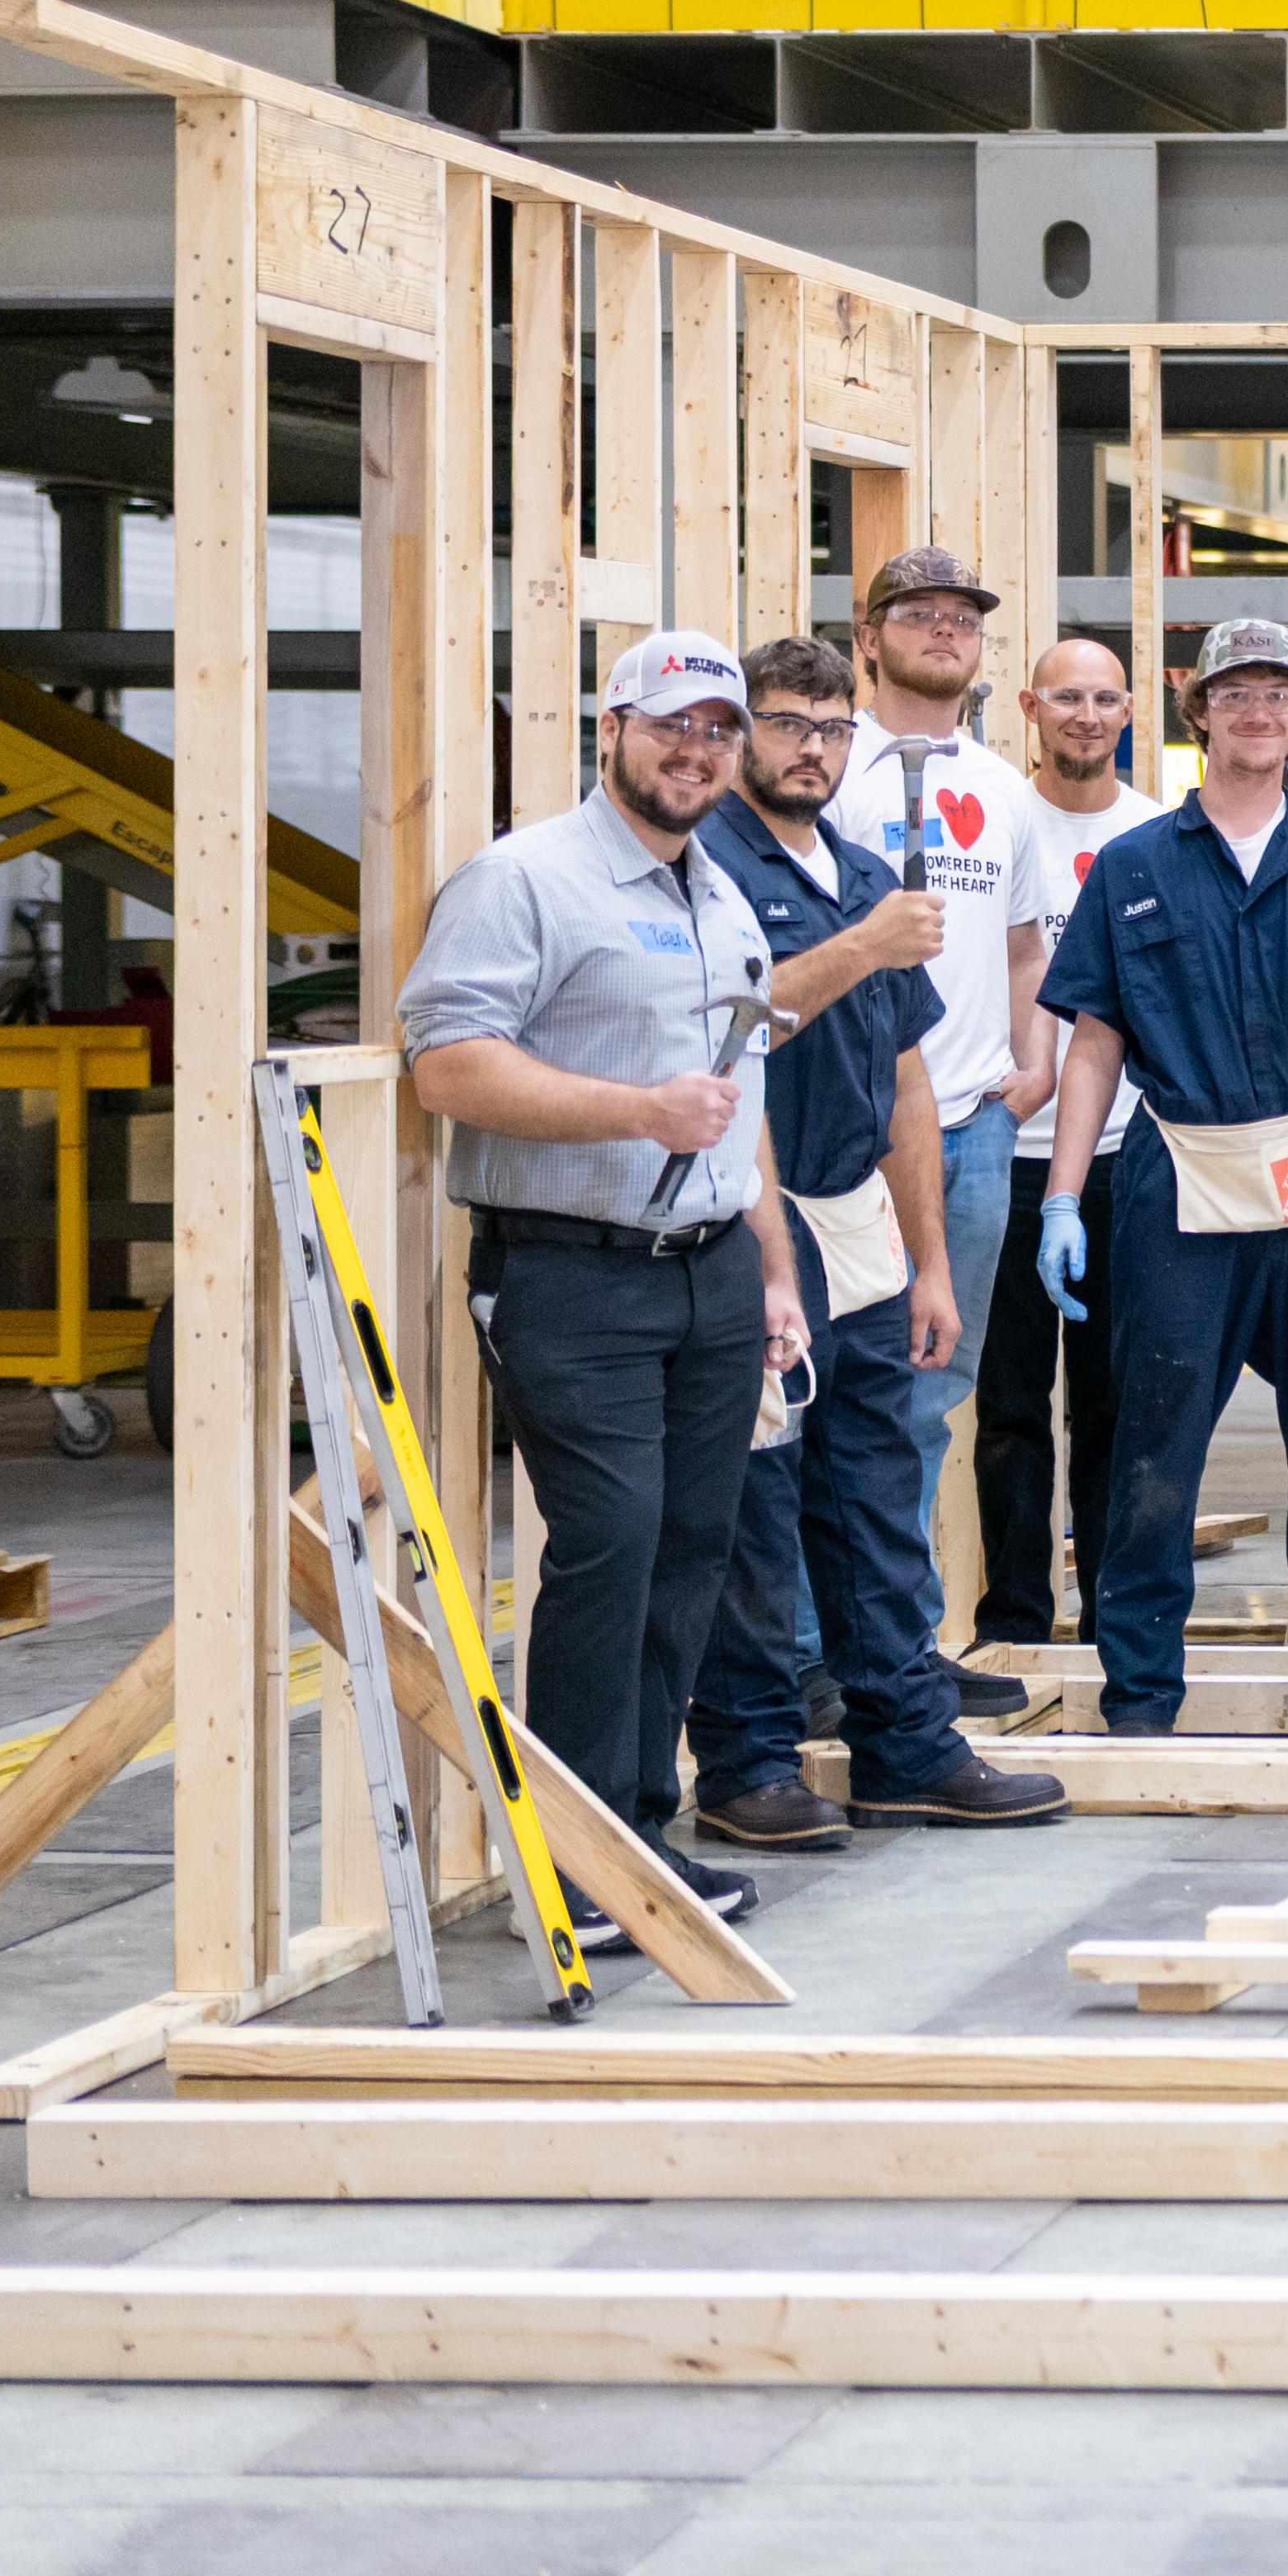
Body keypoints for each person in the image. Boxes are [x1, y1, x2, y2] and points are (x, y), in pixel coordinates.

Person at [392, 632, 808, 1944]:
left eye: (717, 733)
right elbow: (448, 1067)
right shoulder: (526, 881)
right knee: (611, 1550)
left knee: (692, 1553)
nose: (695, 751)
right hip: (572, 1274)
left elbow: (736, 1107)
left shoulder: (721, 894)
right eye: (670, 725)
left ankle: (635, 1837)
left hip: (712, 1275)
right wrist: (640, 1110)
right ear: (613, 726)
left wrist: (773, 1264)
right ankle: (563, 1871)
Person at [685, 637, 1063, 1843]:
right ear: (743, 736)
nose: (811, 747)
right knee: (756, 1504)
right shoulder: (706, 871)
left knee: (878, 1491)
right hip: (750, 1218)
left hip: (857, 1220)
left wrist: (929, 1262)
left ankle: (903, 1742)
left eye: (830, 728)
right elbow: (741, 1030)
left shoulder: (856, 872)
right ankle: (746, 1762)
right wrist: (870, 944)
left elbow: (905, 1076)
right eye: (786, 724)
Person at [1030, 616, 1288, 1741]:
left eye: (1277, 696)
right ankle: (1141, 1698)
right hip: (1180, 1179)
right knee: (1153, 1450)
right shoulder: (1139, 861)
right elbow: (1094, 1037)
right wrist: (1062, 1195)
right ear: (1198, 711)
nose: (1257, 712)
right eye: (1235, 695)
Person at [830, 548, 1035, 1521]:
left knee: (934, 1396)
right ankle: (808, 1659)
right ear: (869, 640)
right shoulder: (828, 774)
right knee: (841, 1395)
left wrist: (1026, 1071)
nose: (945, 628)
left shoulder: (1003, 788)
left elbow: (1025, 945)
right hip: (859, 1135)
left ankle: (894, 1659)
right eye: (919, 613)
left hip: (975, 1131)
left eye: (963, 615)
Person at [981, 637, 1156, 1648]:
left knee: (1111, 1407)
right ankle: (1014, 1621)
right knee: (1006, 1411)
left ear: (1128, 709)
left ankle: (1109, 1622)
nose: (1085, 716)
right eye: (1066, 699)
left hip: (1125, 1159)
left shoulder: (1156, 832)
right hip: (1004, 1151)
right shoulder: (1000, 817)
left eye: (1103, 699)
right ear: (1030, 706)